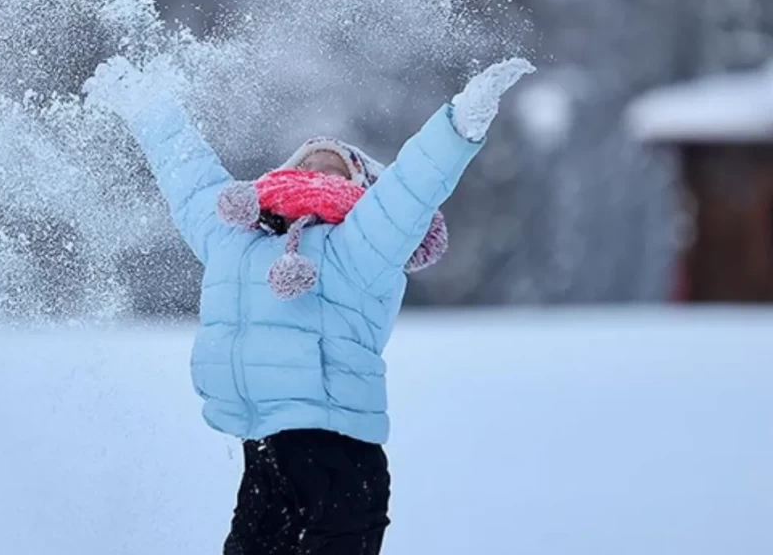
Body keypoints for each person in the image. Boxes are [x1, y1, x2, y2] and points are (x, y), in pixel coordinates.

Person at [82, 54, 534, 555]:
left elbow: (411, 189)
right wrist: (148, 109)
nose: (317, 169)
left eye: (336, 168)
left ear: (361, 191)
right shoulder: (235, 238)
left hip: (341, 460)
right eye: (306, 162)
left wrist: (457, 126)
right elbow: (189, 179)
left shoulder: (361, 245)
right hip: (264, 455)